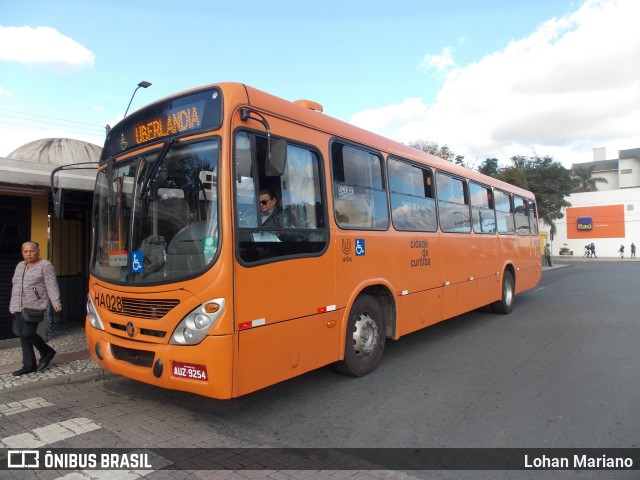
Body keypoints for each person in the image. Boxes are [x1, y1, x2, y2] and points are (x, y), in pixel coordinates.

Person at [9, 241, 62, 376]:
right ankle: (28, 365)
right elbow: (15, 285)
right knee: (21, 334)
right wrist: (13, 305)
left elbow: (51, 285)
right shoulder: (20, 265)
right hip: (19, 305)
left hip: (34, 305)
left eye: (31, 251)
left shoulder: (45, 265)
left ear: (38, 251)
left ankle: (47, 352)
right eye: (25, 252)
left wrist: (56, 301)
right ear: (22, 253)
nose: (28, 254)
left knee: (28, 333)